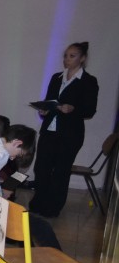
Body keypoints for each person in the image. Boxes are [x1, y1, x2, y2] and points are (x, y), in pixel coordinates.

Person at [29, 42, 99, 218]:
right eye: (66, 56)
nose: (67, 59)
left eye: (72, 56)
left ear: (82, 58)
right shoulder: (56, 77)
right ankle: (39, 202)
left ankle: (53, 207)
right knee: (41, 167)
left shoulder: (88, 81)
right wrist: (44, 110)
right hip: (50, 130)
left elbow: (90, 110)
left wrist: (73, 109)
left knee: (61, 171)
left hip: (70, 134)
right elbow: (50, 101)